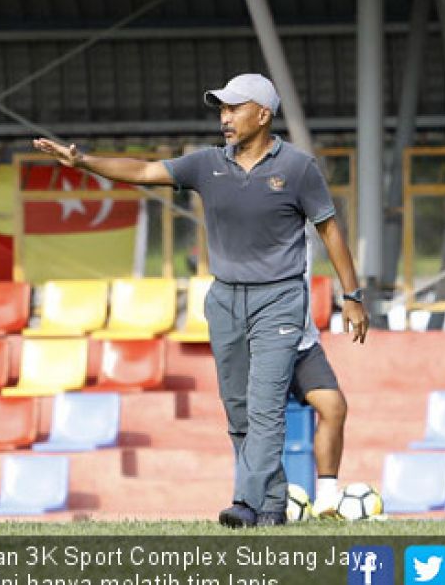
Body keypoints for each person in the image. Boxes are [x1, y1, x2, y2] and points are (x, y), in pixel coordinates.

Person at [34, 73, 369, 527]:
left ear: (264, 114)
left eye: (234, 108)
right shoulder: (206, 164)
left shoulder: (298, 168)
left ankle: (246, 504)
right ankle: (271, 506)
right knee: (239, 411)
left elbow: (329, 229)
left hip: (281, 300)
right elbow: (144, 171)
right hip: (225, 300)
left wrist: (352, 295)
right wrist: (83, 162)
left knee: (266, 404)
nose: (225, 117)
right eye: (222, 109)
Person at [291, 241, 348, 519]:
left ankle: (326, 498)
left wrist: (353, 296)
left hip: (303, 343)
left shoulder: (302, 199)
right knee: (257, 420)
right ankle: (256, 498)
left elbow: (331, 231)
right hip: (262, 342)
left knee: (334, 407)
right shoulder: (248, 205)